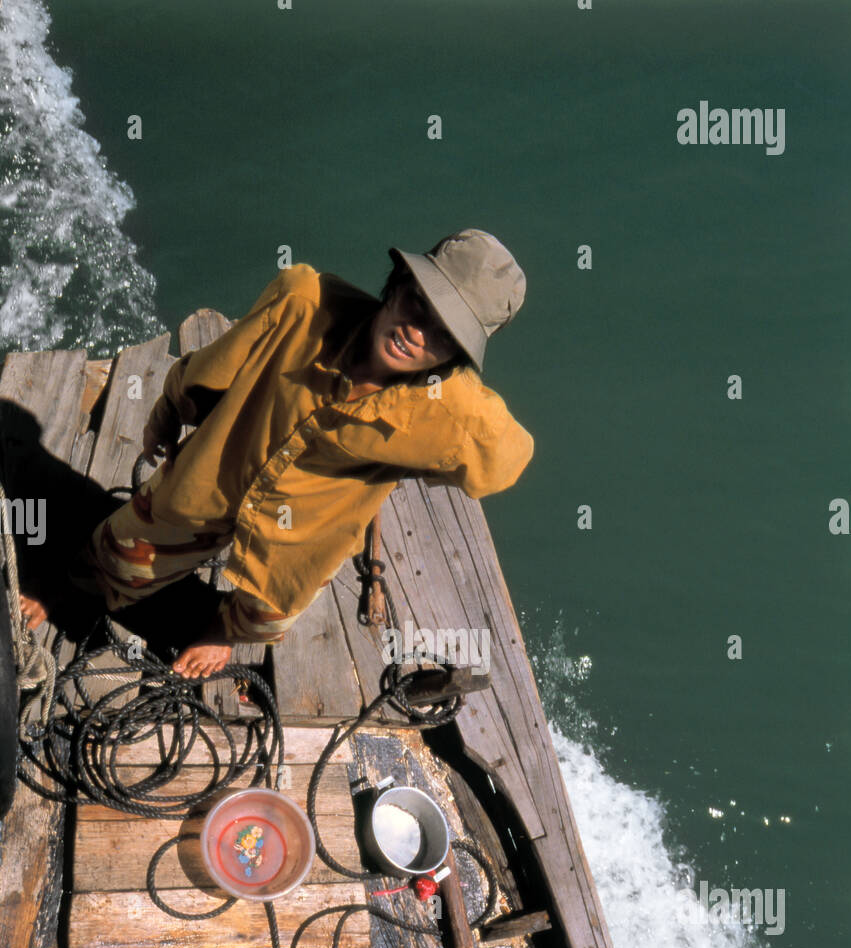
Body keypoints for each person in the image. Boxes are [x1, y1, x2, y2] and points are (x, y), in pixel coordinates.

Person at [21, 229, 533, 677]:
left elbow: (509, 460)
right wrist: (168, 413)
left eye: (445, 336)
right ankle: (72, 586)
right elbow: (212, 368)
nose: (416, 333)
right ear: (398, 283)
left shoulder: (455, 414)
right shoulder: (303, 302)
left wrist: (433, 452)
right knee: (117, 554)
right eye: (419, 303)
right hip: (216, 478)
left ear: (458, 358)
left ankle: (221, 631)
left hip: (300, 535)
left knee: (267, 614)